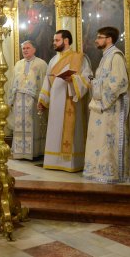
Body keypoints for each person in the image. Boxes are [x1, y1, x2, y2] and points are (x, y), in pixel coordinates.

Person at [83, 27, 130, 183]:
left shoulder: (116, 56)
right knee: (101, 140)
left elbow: (119, 82)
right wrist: (95, 83)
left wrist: (97, 88)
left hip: (112, 108)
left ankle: (112, 172)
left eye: (99, 37)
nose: (96, 40)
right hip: (104, 106)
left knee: (109, 140)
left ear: (109, 39)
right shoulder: (106, 57)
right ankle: (100, 170)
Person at [38, 30, 92, 172]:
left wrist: (73, 80)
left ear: (66, 41)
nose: (54, 43)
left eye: (57, 40)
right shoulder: (53, 60)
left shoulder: (80, 58)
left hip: (71, 100)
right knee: (55, 130)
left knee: (72, 132)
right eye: (54, 40)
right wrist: (43, 100)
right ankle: (54, 161)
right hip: (56, 102)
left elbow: (87, 77)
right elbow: (47, 81)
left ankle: (72, 163)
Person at [9, 40, 48, 160]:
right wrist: (11, 99)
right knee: (19, 125)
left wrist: (43, 100)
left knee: (33, 125)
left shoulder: (41, 64)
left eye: (28, 48)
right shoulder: (18, 64)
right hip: (19, 100)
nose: (25, 50)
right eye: (23, 48)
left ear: (34, 49)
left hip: (34, 100)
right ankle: (20, 152)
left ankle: (34, 152)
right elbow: (13, 82)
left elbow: (44, 83)